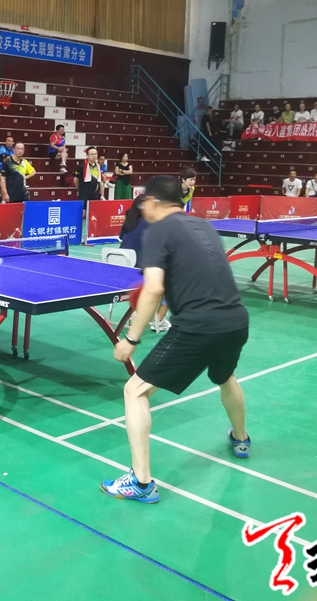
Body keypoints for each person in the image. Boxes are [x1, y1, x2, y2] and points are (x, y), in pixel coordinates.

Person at [101, 175, 250, 503]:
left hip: (198, 326)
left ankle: (141, 483)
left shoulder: (158, 231)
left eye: (144, 202)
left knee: (134, 391)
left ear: (153, 202)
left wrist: (131, 340)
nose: (143, 209)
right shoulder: (204, 226)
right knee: (225, 376)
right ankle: (241, 439)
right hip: (236, 321)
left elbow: (154, 288)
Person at [118, 195, 170, 332]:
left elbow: (122, 241)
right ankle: (160, 320)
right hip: (141, 271)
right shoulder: (153, 224)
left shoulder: (128, 222)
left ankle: (140, 311)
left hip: (121, 270)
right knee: (172, 282)